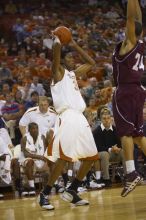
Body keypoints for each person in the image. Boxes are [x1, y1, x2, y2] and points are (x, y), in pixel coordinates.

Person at [38, 33, 99, 210]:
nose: (74, 59)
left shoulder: (73, 74)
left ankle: (72, 190)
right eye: (70, 57)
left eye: (73, 57)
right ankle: (45, 193)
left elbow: (91, 63)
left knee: (91, 158)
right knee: (63, 159)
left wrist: (73, 43)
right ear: (63, 61)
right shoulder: (58, 73)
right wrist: (58, 42)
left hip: (80, 118)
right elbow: (55, 60)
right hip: (67, 117)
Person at [112, 0, 146, 197]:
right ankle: (132, 172)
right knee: (138, 136)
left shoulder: (131, 43)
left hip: (125, 92)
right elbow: (138, 17)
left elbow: (131, 18)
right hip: (138, 91)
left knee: (125, 133)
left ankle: (131, 172)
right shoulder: (140, 43)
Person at [93, 111, 126, 187]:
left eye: (108, 118)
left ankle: (127, 176)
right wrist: (110, 149)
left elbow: (120, 144)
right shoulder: (96, 131)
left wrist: (118, 148)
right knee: (105, 154)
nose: (107, 120)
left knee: (124, 152)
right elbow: (97, 147)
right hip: (101, 153)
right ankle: (106, 179)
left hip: (114, 153)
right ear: (101, 120)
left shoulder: (116, 130)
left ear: (111, 119)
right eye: (104, 118)